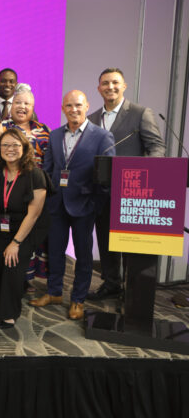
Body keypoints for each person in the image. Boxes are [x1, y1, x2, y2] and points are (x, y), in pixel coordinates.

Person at [30, 91, 114, 320]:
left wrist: (96, 205)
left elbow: (107, 177)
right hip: (57, 205)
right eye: (68, 105)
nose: (73, 109)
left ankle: (78, 299)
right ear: (62, 108)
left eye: (78, 105)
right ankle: (55, 292)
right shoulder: (55, 135)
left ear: (86, 106)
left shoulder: (102, 136)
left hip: (85, 206)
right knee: (55, 252)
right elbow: (47, 170)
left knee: (84, 257)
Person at [87, 68, 166, 301]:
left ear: (124, 86)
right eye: (105, 83)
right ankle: (111, 284)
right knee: (106, 240)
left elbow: (156, 147)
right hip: (102, 192)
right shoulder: (91, 119)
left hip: (133, 192)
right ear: (99, 87)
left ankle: (134, 288)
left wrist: (145, 175)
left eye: (115, 82)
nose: (110, 87)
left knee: (132, 243)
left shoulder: (141, 113)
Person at [0, 130, 48, 328]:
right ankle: (5, 302)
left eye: (15, 145)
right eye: (5, 145)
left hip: (26, 229)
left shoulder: (35, 175)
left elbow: (34, 214)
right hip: (3, 227)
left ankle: (9, 313)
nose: (10, 149)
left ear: (24, 148)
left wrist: (16, 243)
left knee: (12, 264)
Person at [0, 84, 50, 166]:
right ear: (11, 105)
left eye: (26, 104)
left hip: (40, 177)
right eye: (17, 102)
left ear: (32, 108)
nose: (22, 106)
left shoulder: (44, 129)